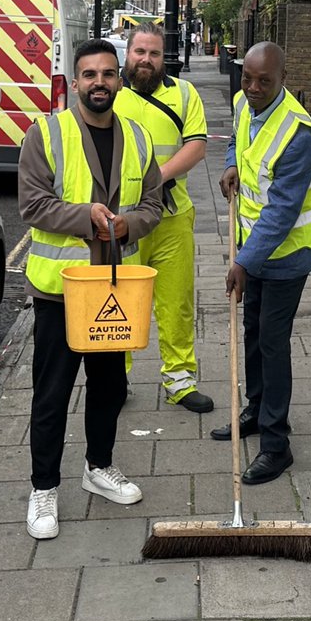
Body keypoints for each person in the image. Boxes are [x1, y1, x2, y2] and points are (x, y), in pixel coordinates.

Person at [18, 38, 163, 539]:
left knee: (110, 387)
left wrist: (128, 227)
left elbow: (153, 205)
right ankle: (44, 489)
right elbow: (32, 205)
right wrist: (88, 217)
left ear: (118, 81)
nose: (99, 82)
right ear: (74, 82)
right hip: (61, 290)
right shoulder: (46, 134)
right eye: (89, 75)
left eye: (107, 74)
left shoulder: (139, 138)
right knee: (52, 393)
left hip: (117, 287)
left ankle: (98, 467)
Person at [213, 42, 311, 484]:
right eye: (248, 79)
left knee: (273, 344)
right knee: (252, 332)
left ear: (282, 80)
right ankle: (256, 411)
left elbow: (282, 213)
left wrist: (242, 261)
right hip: (253, 246)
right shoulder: (243, 102)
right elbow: (240, 141)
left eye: (265, 82)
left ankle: (277, 445)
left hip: (287, 254)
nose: (254, 89)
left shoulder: (298, 133)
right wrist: (231, 162)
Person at [115, 24, 214, 413]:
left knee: (177, 303)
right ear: (128, 53)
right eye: (140, 51)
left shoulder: (184, 93)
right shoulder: (111, 94)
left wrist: (153, 179)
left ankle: (180, 381)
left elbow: (197, 146)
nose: (146, 60)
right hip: (123, 220)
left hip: (173, 216)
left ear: (163, 57)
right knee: (120, 302)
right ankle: (115, 380)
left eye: (154, 53)